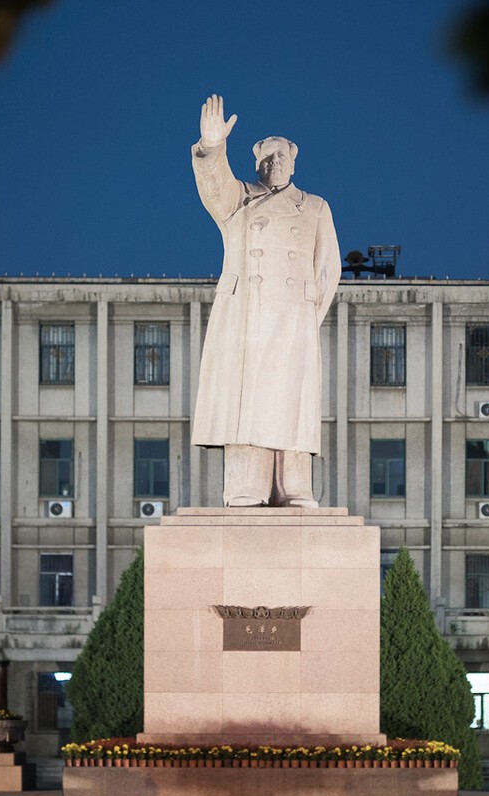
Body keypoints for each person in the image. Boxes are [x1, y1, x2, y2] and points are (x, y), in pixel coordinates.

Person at [190, 95, 341, 507]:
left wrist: (305, 317)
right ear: (256, 165)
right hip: (246, 318)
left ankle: (295, 487)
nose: (274, 163)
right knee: (247, 403)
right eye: (266, 157)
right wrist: (212, 147)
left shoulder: (315, 207)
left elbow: (328, 270)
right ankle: (246, 486)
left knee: (293, 402)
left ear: (294, 163)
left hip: (293, 318)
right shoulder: (238, 200)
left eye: (281, 156)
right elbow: (213, 185)